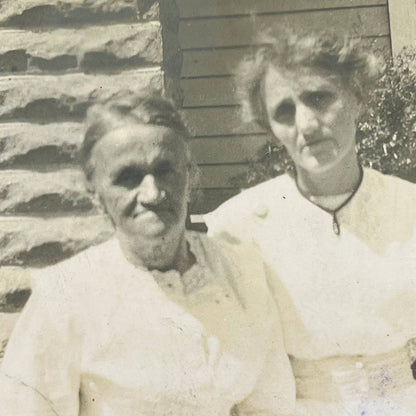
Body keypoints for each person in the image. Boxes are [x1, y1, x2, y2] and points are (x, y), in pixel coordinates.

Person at [0, 91, 296, 416]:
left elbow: (271, 407)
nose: (152, 193)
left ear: (190, 175)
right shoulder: (64, 296)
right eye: (127, 178)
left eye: (165, 170)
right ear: (96, 194)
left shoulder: (241, 273)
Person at [205, 29, 416, 416]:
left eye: (319, 98)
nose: (306, 124)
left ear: (357, 97)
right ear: (270, 128)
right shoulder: (240, 226)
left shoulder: (409, 208)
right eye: (284, 111)